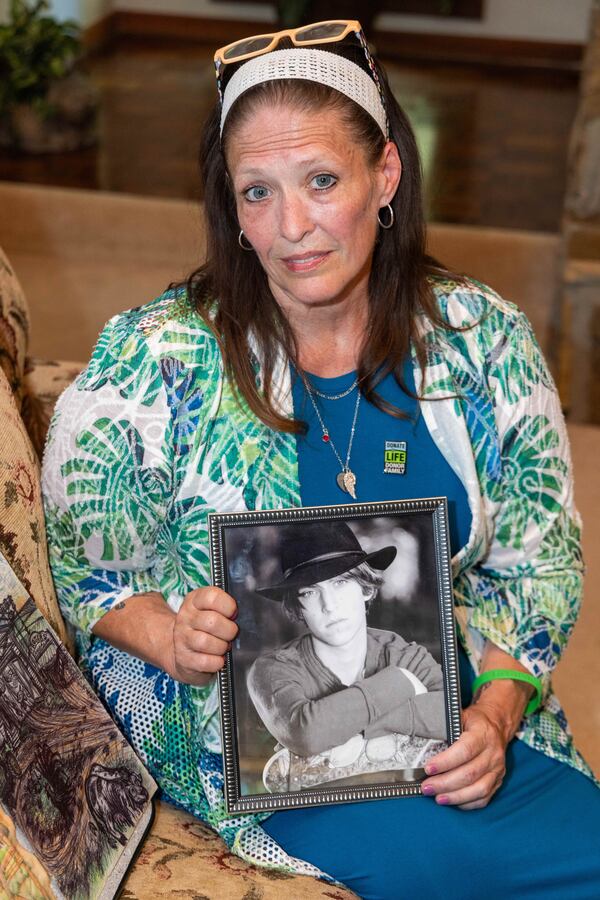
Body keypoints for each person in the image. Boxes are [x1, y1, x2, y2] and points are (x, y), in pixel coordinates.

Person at [41, 18, 599, 899]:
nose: (291, 227)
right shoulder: (155, 361)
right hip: (256, 755)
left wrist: (493, 714)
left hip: (462, 728)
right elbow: (88, 571)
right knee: (449, 871)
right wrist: (172, 636)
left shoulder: (482, 341)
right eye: (256, 192)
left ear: (385, 174)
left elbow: (537, 571)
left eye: (322, 180)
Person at [247, 519, 446, 782]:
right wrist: (400, 682)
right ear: (297, 607)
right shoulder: (273, 669)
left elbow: (451, 717)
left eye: (340, 583)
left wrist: (343, 724)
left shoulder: (404, 654)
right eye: (309, 592)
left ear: (365, 588)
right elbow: (306, 734)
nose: (329, 605)